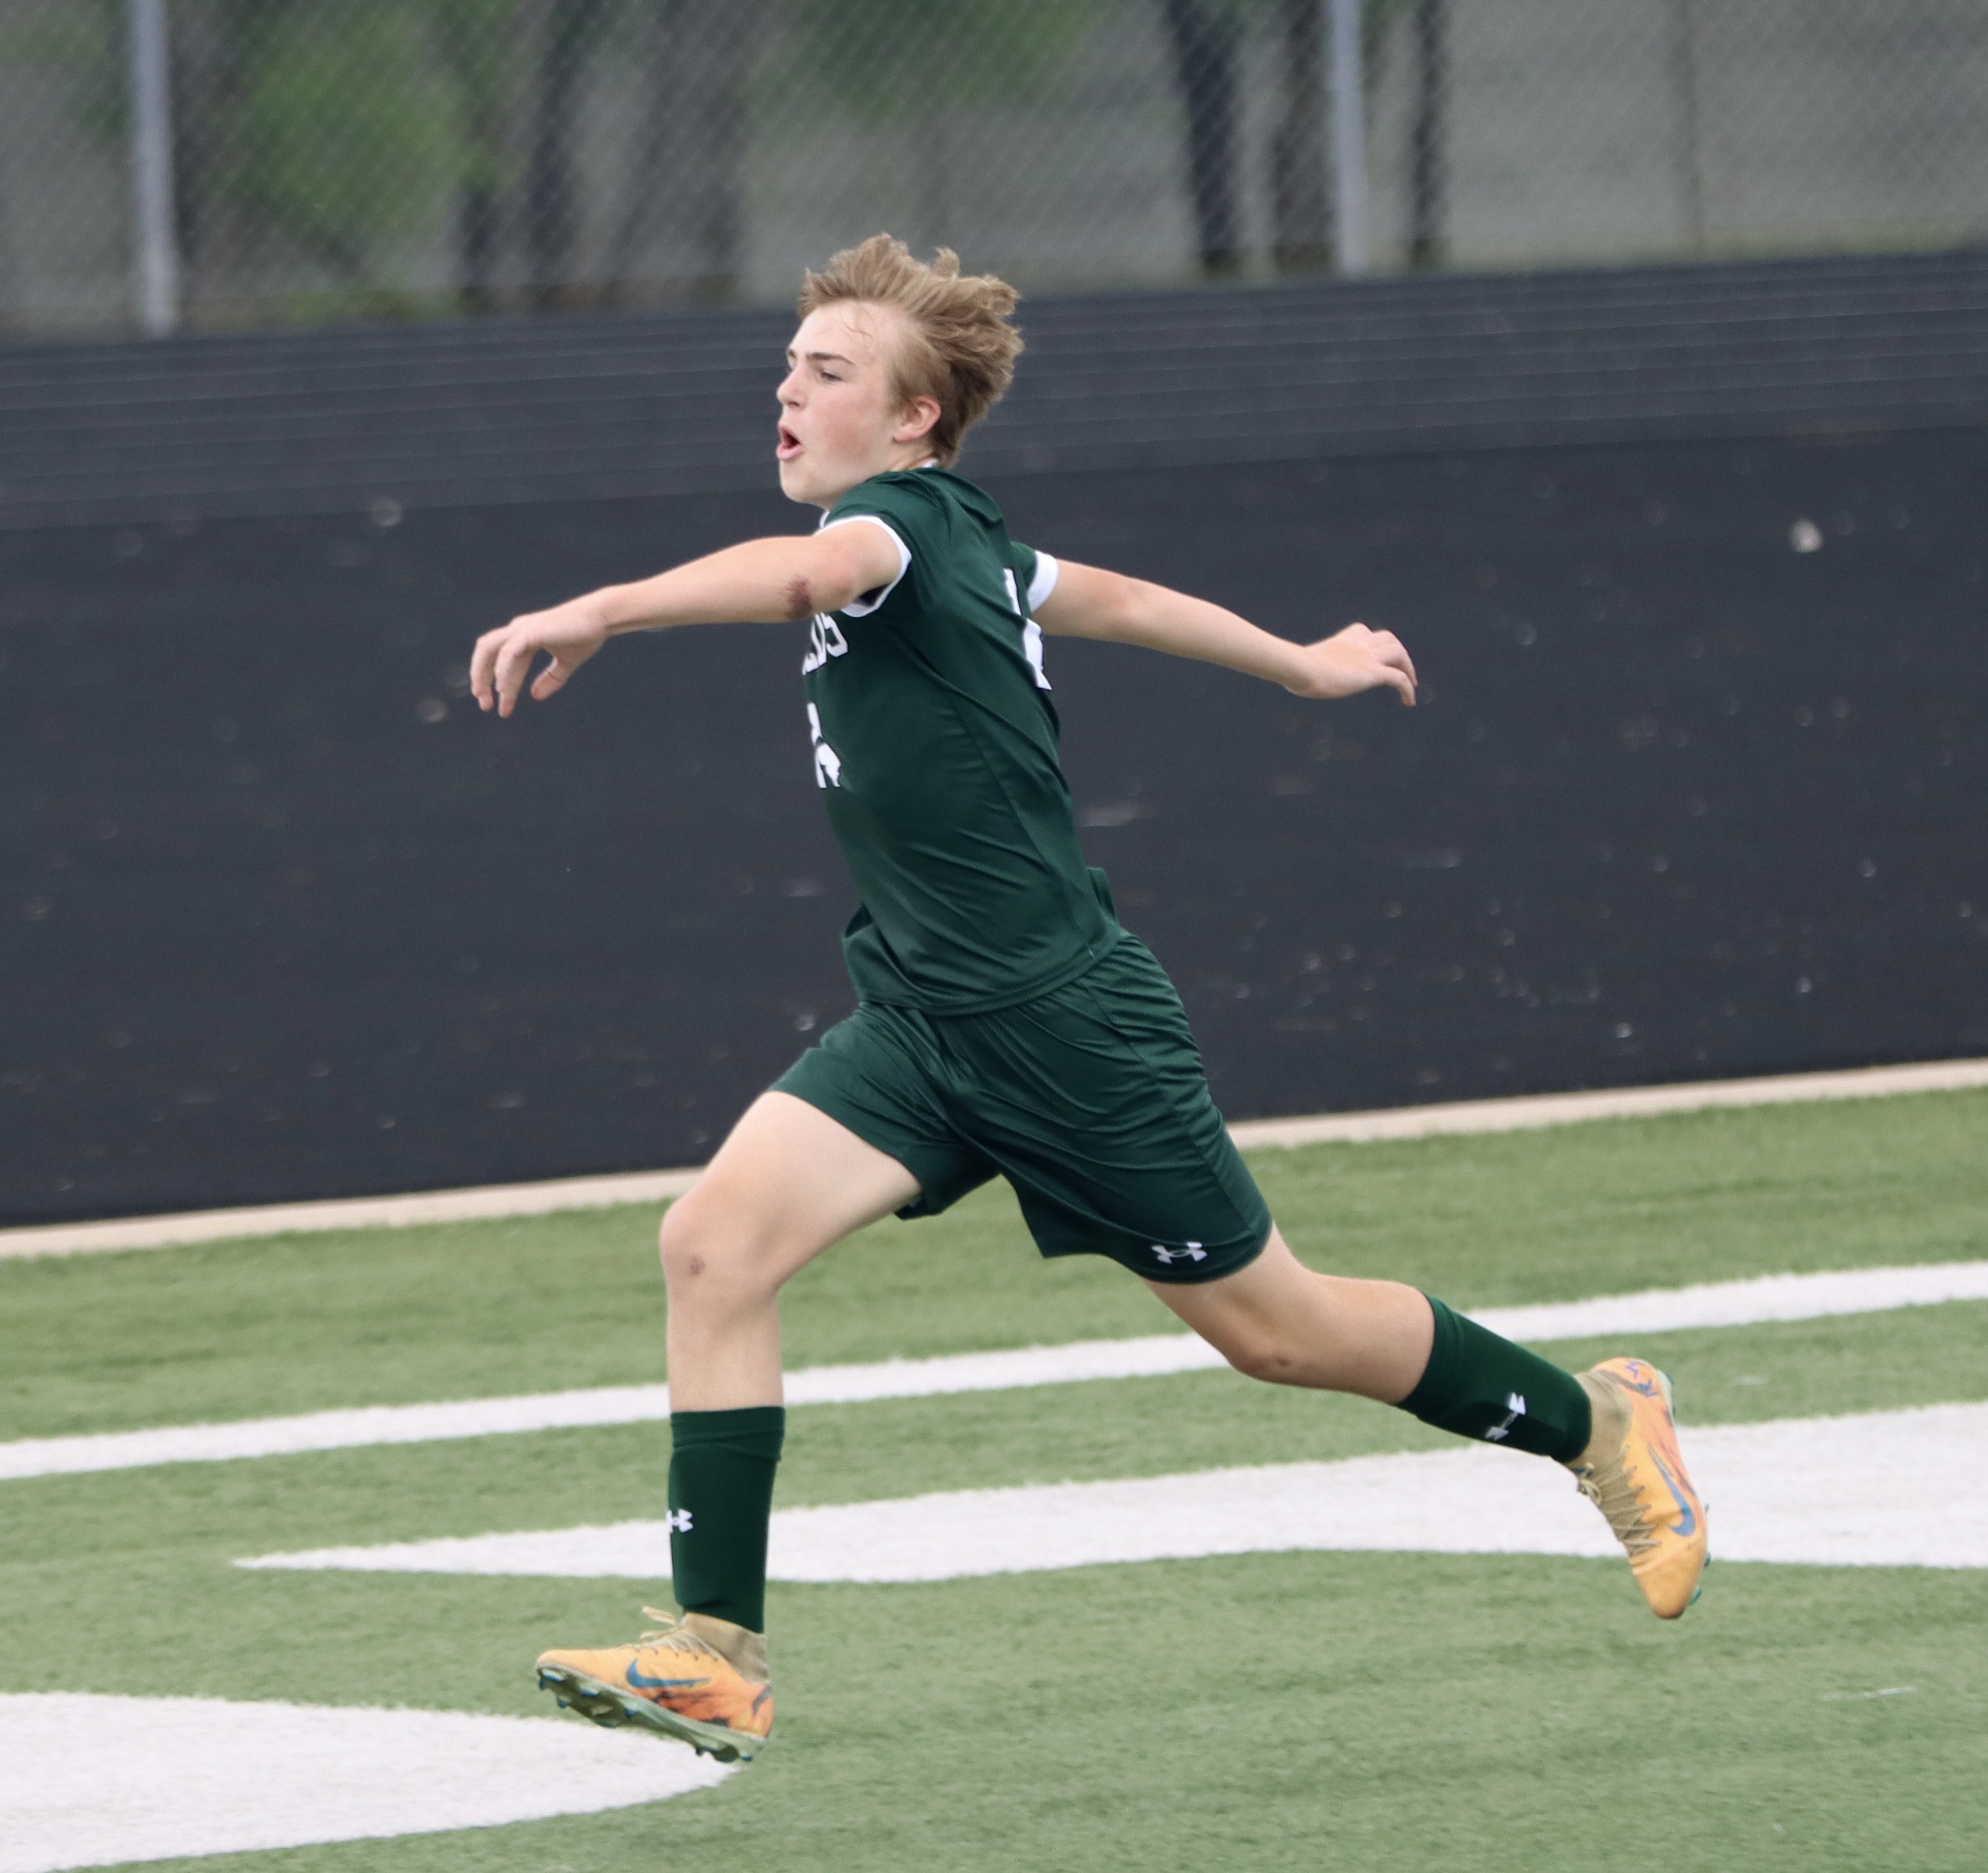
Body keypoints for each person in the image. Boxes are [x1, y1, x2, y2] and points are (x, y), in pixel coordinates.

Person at [472, 234, 1704, 1766]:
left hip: (1063, 1024)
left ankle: (1600, 1420)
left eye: (828, 373)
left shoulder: (891, 527)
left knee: (1280, 1331)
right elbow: (1111, 597)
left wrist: (600, 606)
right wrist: (1295, 661)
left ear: (914, 420)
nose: (787, 392)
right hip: (923, 1018)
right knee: (712, 1244)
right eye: (787, 367)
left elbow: (801, 576)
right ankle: (714, 1655)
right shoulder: (969, 541)